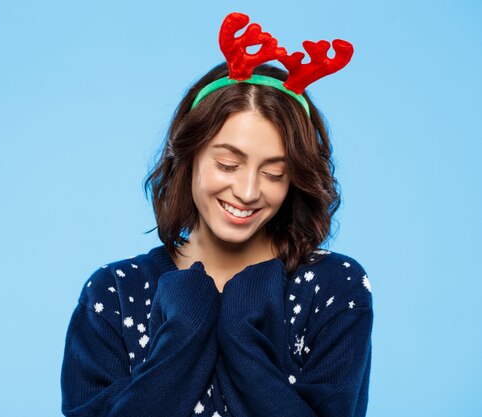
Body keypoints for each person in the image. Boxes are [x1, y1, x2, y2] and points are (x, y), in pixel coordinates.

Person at [60, 12, 373, 417]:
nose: (247, 191)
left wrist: (241, 334)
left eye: (274, 173)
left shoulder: (334, 287)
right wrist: (185, 333)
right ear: (187, 157)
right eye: (227, 165)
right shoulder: (114, 292)